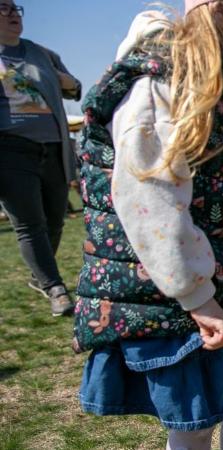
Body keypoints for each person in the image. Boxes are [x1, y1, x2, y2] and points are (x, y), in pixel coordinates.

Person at [73, 1, 223, 447]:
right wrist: (196, 294)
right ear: (221, 12)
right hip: (178, 304)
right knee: (194, 423)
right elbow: (149, 200)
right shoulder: (158, 85)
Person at [0, 0, 81, 316]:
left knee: (55, 220)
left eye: (15, 9)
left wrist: (68, 83)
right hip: (11, 150)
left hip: (54, 147)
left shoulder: (40, 53)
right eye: (3, 8)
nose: (12, 15)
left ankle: (41, 275)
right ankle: (55, 288)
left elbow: (74, 88)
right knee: (30, 224)